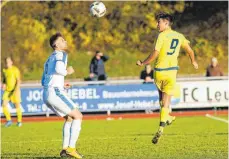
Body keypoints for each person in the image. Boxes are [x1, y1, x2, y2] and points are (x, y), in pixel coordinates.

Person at [136, 12, 198, 144]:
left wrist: (143, 63)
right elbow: (190, 51)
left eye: (159, 22)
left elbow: (155, 53)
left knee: (162, 101)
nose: (157, 24)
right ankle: (163, 125)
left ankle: (165, 121)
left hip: (159, 72)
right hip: (171, 73)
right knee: (166, 102)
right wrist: (193, 61)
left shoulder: (162, 36)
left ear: (166, 23)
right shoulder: (179, 36)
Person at [41, 33, 83, 158]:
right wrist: (67, 72)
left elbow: (44, 80)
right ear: (56, 45)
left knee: (69, 118)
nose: (65, 41)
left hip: (47, 93)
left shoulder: (49, 59)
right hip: (55, 92)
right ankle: (71, 148)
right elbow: (60, 69)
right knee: (78, 116)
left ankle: (65, 149)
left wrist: (61, 83)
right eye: (62, 40)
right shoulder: (61, 54)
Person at [2, 56, 22, 127]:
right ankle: (9, 120)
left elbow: (18, 80)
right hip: (7, 91)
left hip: (15, 90)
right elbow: (4, 79)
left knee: (17, 105)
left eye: (8, 61)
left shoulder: (15, 70)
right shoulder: (4, 70)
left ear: (11, 62)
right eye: (6, 62)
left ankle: (19, 121)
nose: (7, 63)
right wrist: (4, 84)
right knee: (4, 105)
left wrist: (16, 89)